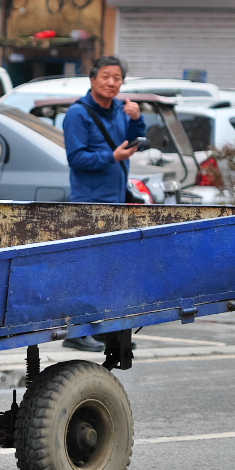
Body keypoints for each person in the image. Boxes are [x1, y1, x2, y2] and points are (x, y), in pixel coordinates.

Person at [61, 55, 146, 352]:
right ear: (93, 79)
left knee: (111, 270)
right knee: (86, 269)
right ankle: (75, 332)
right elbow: (76, 159)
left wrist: (137, 119)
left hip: (116, 201)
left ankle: (107, 332)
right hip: (89, 203)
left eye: (117, 78)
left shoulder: (120, 110)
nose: (111, 83)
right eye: (106, 76)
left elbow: (135, 141)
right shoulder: (77, 114)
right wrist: (112, 157)